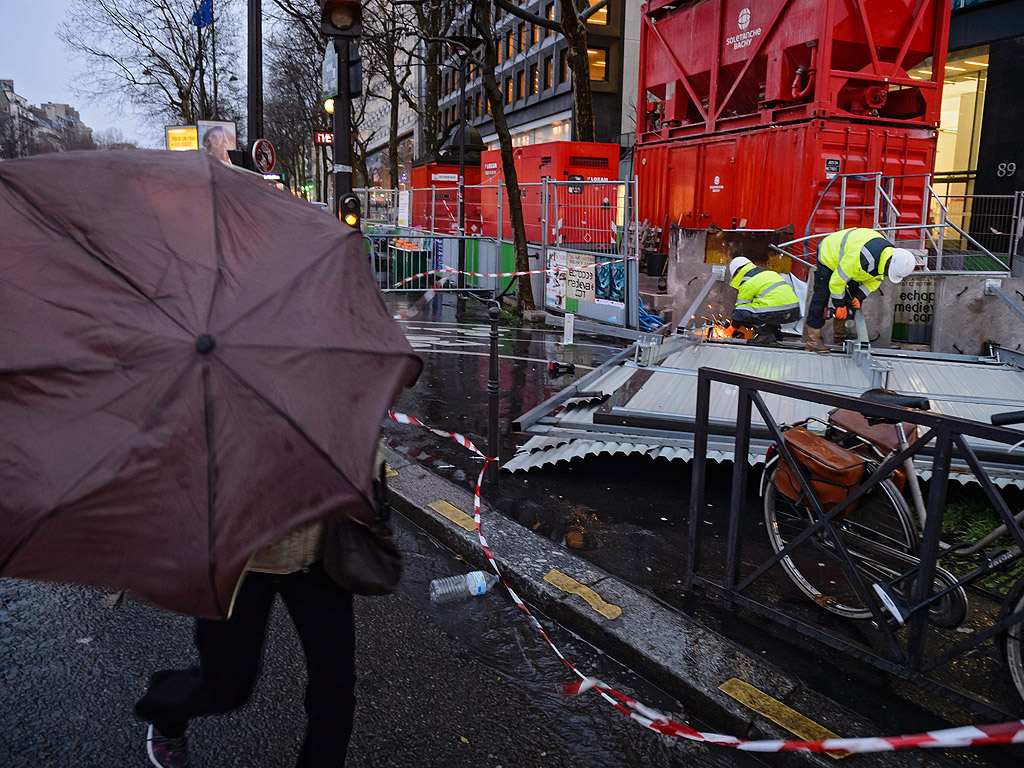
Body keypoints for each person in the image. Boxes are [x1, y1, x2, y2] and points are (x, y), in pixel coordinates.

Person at [134, 448, 389, 768]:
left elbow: (365, 438)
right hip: (237, 559)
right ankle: (165, 709)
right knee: (225, 688)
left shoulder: (330, 397)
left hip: (321, 553)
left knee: (335, 692)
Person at [805, 227, 915, 353]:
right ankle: (813, 340)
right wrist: (839, 305)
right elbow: (836, 282)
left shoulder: (886, 257)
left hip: (850, 261)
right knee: (821, 296)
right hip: (828, 253)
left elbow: (874, 281)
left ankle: (841, 337)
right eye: (887, 274)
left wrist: (859, 296)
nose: (886, 276)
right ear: (889, 263)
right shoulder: (859, 259)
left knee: (851, 300)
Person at [727, 257, 802, 346]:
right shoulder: (768, 273)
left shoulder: (747, 281)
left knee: (740, 312)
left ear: (736, 272)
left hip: (777, 311)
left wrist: (734, 325)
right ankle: (775, 333)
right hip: (794, 310)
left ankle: (765, 334)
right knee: (763, 307)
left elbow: (741, 308)